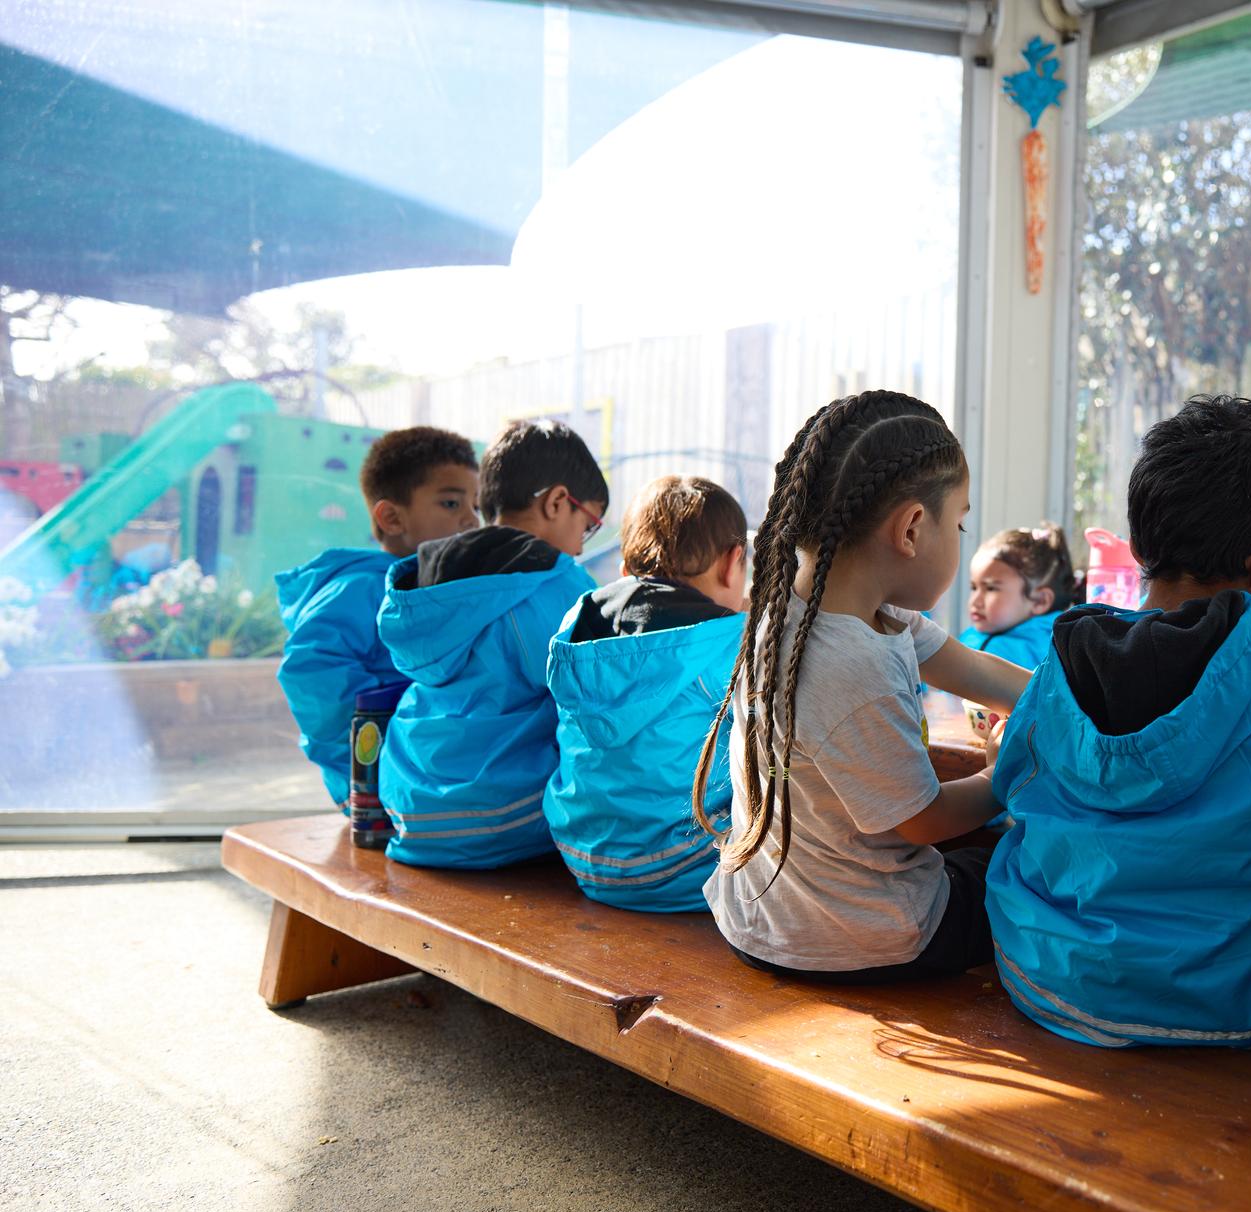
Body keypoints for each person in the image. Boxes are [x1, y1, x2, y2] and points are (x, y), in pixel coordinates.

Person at [985, 395, 1251, 1048]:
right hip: (1226, 1007)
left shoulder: (1062, 653)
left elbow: (1008, 785)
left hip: (1043, 977)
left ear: (1142, 541)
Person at [694, 390, 1030, 983]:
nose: (961, 535)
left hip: (764, 916)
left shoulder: (814, 613)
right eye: (960, 522)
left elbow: (984, 676)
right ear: (912, 529)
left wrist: (1068, 694)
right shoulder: (853, 665)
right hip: (853, 938)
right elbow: (922, 822)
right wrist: (999, 771)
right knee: (1025, 867)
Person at [377, 419, 606, 869]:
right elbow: (597, 704)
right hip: (503, 820)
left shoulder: (424, 580)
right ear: (559, 501)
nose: (580, 546)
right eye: (590, 524)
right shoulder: (559, 585)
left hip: (411, 808)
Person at [544, 475, 749, 911]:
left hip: (583, 857)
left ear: (625, 570)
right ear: (733, 564)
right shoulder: (730, 646)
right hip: (689, 867)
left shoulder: (578, 630)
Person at [275, 426, 479, 809]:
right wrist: (376, 756)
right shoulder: (364, 587)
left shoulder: (435, 588)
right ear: (391, 518)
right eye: (452, 504)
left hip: (415, 771)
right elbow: (310, 669)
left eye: (477, 506)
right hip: (376, 785)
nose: (472, 521)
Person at [960, 523, 1077, 671]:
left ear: (1040, 601)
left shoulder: (1001, 653)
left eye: (991, 588)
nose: (975, 601)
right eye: (974, 587)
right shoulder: (1059, 644)